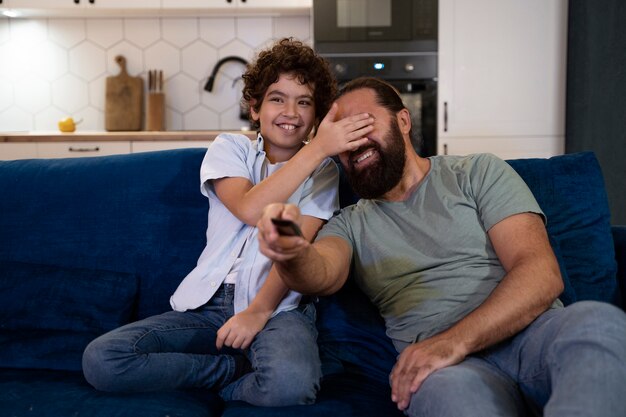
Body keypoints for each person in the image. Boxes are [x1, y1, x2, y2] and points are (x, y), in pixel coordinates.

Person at [257, 77, 626, 416]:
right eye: (342, 138)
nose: (355, 143)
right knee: (453, 400)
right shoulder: (349, 223)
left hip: (531, 336)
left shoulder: (477, 172)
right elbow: (320, 273)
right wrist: (292, 253)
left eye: (364, 125)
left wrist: (453, 341)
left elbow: (540, 273)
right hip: (446, 373)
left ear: (403, 121)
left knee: (599, 322)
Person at [82, 38, 374, 407]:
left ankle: (256, 368)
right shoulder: (229, 148)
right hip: (210, 305)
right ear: (254, 108)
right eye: (277, 98)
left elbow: (293, 252)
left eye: (304, 102)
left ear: (315, 116)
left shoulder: (324, 174)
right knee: (102, 359)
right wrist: (318, 147)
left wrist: (258, 312)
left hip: (279, 308)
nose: (291, 111)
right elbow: (251, 209)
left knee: (291, 386)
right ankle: (230, 372)